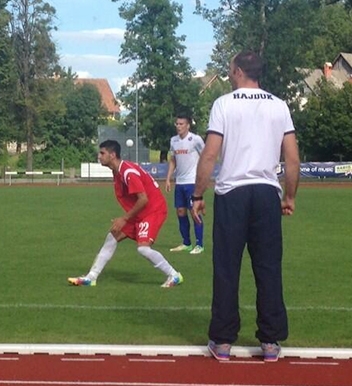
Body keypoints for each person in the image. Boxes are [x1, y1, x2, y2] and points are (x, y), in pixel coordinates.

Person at [192, 51, 299, 363]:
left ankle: (223, 342)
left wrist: (198, 195)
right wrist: (289, 197)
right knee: (268, 268)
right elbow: (291, 158)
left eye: (229, 69)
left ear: (238, 71)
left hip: (232, 194)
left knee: (227, 268)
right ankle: (270, 342)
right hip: (267, 193)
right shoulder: (279, 106)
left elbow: (210, 154)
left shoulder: (224, 104)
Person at [68, 140, 183, 288]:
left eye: (102, 153)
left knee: (143, 248)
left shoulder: (128, 172)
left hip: (152, 210)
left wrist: (124, 218)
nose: (99, 156)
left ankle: (174, 275)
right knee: (112, 237)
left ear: (112, 155)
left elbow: (144, 199)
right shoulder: (118, 171)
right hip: (140, 211)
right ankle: (91, 277)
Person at [165, 113, 206, 255]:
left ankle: (199, 244)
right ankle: (186, 243)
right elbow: (173, 160)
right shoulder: (173, 140)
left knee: (194, 212)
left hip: (192, 182)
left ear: (188, 125)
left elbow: (206, 157)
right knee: (180, 212)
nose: (178, 126)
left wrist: (202, 179)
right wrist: (169, 178)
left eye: (181, 124)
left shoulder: (195, 140)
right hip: (180, 183)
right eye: (177, 124)